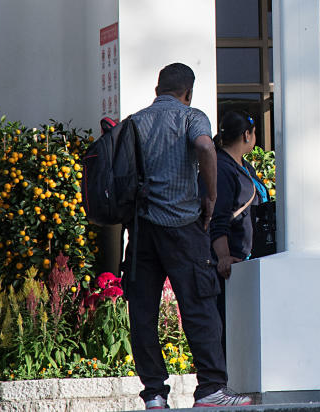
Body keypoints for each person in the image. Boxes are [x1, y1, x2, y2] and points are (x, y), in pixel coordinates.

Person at [121, 63, 251, 409]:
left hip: (142, 232)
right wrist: (210, 197)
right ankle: (210, 389)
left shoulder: (134, 122)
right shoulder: (192, 117)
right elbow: (207, 149)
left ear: (157, 89)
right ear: (188, 92)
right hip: (182, 228)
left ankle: (154, 396)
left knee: (143, 313)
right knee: (199, 307)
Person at [209, 111, 266, 353]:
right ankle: (225, 385)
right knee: (229, 331)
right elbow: (217, 217)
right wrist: (222, 256)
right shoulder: (222, 168)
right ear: (247, 135)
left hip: (249, 262)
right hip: (230, 266)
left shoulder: (244, 166)